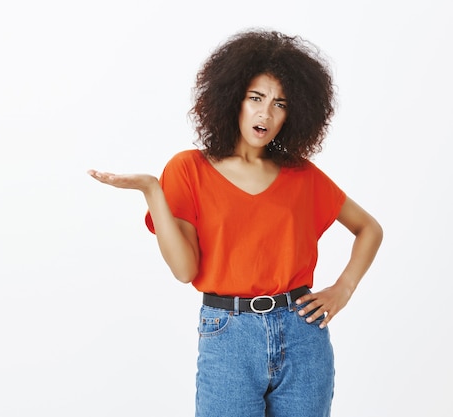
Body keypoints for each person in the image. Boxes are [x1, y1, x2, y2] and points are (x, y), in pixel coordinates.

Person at [87, 28, 383, 417]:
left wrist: (342, 289)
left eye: (280, 103)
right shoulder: (188, 169)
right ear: (232, 100)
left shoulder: (302, 176)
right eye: (255, 98)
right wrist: (152, 192)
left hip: (303, 335)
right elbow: (184, 270)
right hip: (228, 335)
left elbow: (369, 228)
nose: (266, 113)